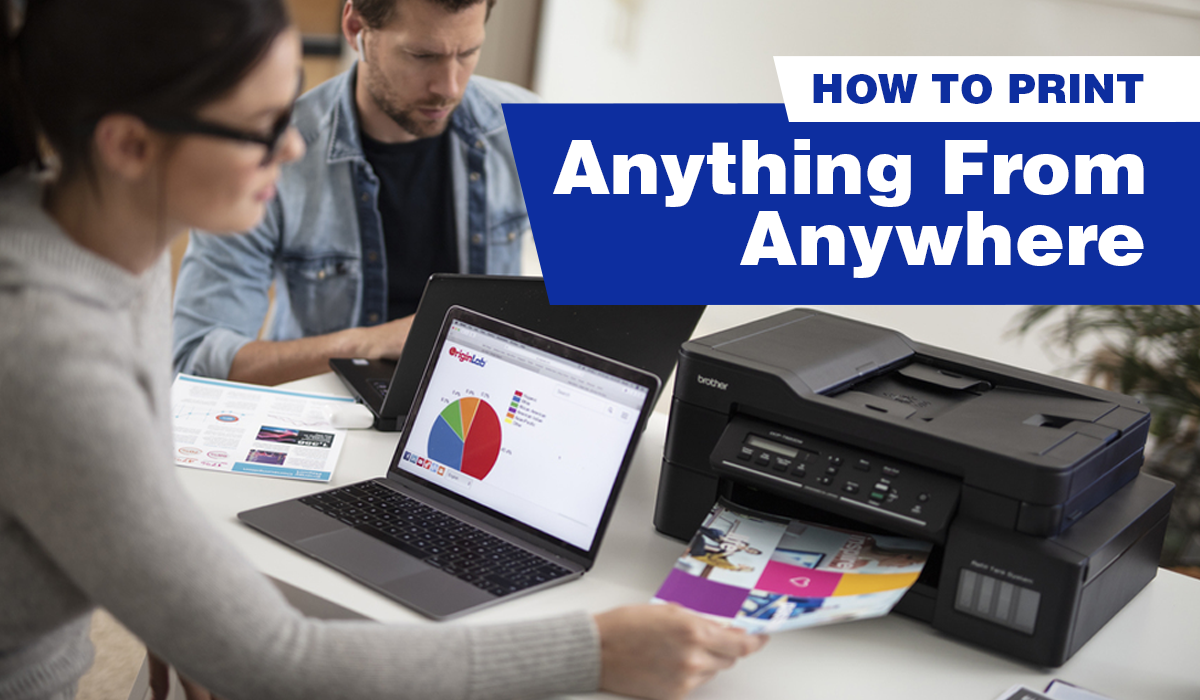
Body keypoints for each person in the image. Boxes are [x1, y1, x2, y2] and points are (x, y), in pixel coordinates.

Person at [0, 1, 765, 699]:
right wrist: (595, 652)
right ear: (129, 144)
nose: (294, 144)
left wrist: (174, 598)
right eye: (263, 126)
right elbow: (277, 657)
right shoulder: (49, 353)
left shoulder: (90, 235)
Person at [172, 0, 535, 386]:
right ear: (355, 29)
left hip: (478, 410)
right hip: (321, 414)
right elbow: (195, 358)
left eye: (468, 52)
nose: (448, 86)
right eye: (422, 55)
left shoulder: (543, 127)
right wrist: (370, 345)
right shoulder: (272, 155)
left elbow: (604, 323)